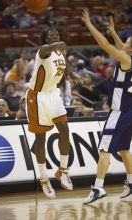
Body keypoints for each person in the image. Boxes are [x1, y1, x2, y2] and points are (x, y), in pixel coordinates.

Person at [81, 8, 132, 204]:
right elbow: (120, 46)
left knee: (104, 149)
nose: (124, 41)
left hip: (119, 112)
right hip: (129, 111)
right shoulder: (128, 56)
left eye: (127, 41)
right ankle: (130, 183)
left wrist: (90, 26)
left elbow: (104, 45)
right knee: (124, 149)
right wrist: (112, 32)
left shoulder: (126, 59)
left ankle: (98, 188)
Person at [25, 26, 73, 199]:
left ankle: (63, 170)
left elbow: (64, 68)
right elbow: (50, 48)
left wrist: (75, 77)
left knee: (65, 129)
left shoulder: (60, 52)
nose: (54, 35)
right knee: (41, 138)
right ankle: (44, 178)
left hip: (53, 94)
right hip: (37, 97)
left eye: (56, 34)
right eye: (50, 34)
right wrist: (59, 43)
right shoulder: (43, 51)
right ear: (45, 38)